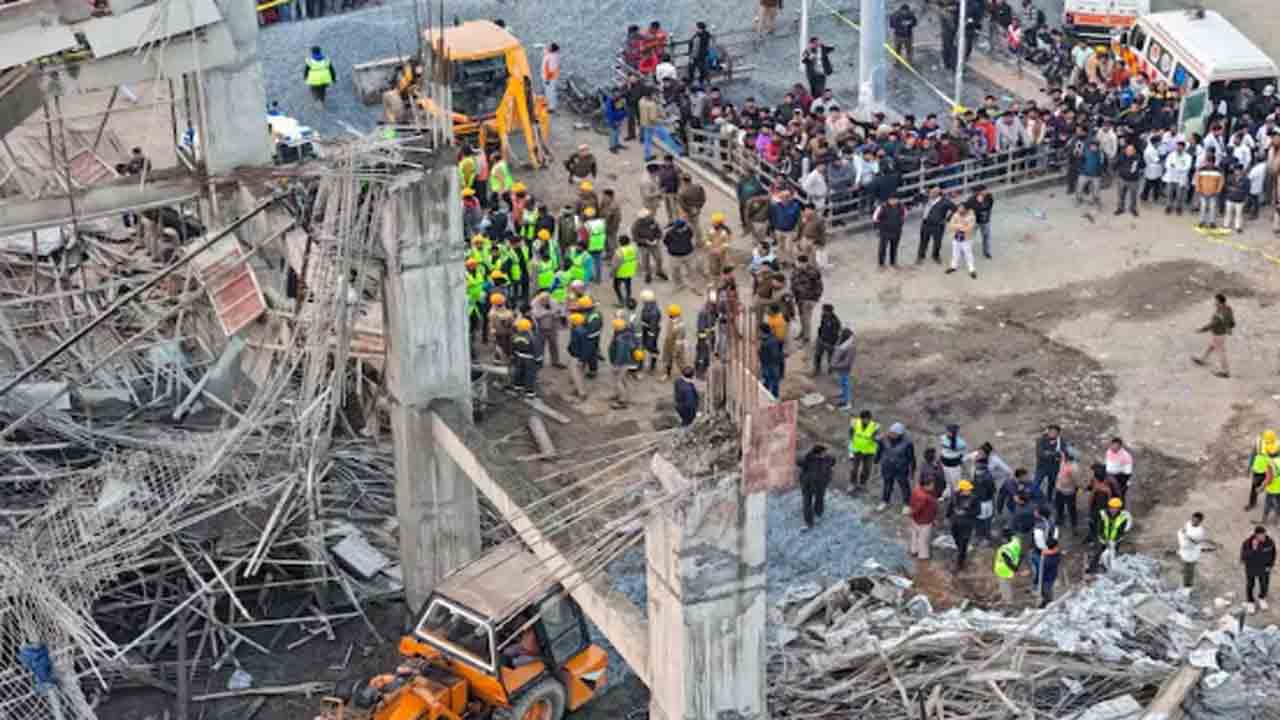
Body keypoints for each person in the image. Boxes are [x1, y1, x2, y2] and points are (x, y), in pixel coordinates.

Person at [1192, 293, 1234, 379]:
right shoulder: (1227, 308)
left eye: (1215, 301)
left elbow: (1212, 324)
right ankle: (1202, 359)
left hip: (1218, 334)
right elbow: (1232, 320)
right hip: (1221, 334)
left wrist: (1201, 330)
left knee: (1221, 352)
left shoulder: (1221, 313)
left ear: (1219, 301)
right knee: (1211, 346)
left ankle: (1225, 371)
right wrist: (1229, 328)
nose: (1214, 302)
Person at [878, 422, 916, 514]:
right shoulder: (884, 439)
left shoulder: (908, 444)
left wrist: (912, 471)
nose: (891, 434)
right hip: (887, 466)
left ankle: (906, 504)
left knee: (904, 487)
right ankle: (885, 501)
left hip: (901, 469)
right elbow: (880, 450)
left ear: (900, 434)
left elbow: (911, 458)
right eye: (891, 432)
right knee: (887, 485)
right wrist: (876, 460)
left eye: (894, 433)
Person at [798, 444, 837, 529]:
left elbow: (833, 462)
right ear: (817, 453)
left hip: (821, 484)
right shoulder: (807, 458)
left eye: (825, 452)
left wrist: (828, 478)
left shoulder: (828, 458)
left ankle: (818, 513)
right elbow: (798, 462)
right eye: (824, 452)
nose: (825, 454)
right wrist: (807, 455)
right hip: (807, 485)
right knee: (807, 503)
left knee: (820, 499)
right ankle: (809, 522)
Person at [1089, 497, 1132, 573]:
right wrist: (1102, 538)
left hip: (1115, 540)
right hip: (1103, 539)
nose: (1113, 510)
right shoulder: (1103, 514)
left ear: (1119, 508)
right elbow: (1099, 527)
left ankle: (1109, 570)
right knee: (1098, 553)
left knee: (1111, 555)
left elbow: (1122, 531)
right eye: (1111, 508)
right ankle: (1092, 569)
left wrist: (1115, 540)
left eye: (1115, 508)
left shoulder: (1124, 517)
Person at [1242, 526, 1276, 614]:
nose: (1263, 537)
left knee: (1264, 584)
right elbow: (1244, 557)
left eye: (1264, 535)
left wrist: (1270, 565)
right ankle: (1250, 602)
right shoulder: (1247, 543)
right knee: (1250, 585)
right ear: (1256, 535)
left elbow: (1273, 554)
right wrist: (1253, 549)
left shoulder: (1270, 542)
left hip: (1264, 568)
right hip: (1251, 568)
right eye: (1261, 535)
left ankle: (1262, 598)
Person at [790, 255, 823, 345]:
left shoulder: (813, 272)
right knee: (801, 317)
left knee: (806, 319)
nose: (797, 264)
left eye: (799, 263)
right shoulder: (796, 270)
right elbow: (793, 283)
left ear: (804, 263)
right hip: (799, 298)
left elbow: (819, 287)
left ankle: (806, 338)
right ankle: (803, 332)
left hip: (809, 299)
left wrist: (815, 299)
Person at [917, 186, 954, 264]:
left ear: (938, 193)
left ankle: (935, 256)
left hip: (938, 225)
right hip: (925, 223)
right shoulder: (926, 198)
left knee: (937, 242)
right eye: (931, 192)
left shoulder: (945, 201)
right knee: (923, 241)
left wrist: (947, 219)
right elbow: (915, 200)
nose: (931, 194)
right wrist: (921, 193)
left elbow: (955, 209)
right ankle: (921, 256)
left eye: (934, 192)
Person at [607, 317, 636, 409]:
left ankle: (622, 401)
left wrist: (616, 365)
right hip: (626, 362)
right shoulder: (627, 334)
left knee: (618, 381)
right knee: (623, 380)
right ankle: (621, 395)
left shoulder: (620, 339)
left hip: (622, 363)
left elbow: (621, 353)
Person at [510, 318, 543, 399]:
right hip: (530, 359)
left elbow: (512, 348)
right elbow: (536, 349)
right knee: (530, 375)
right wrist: (539, 360)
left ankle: (517, 386)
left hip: (519, 357)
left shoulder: (514, 336)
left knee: (518, 372)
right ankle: (529, 392)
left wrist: (513, 357)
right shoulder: (532, 337)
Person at [950, 480, 978, 572]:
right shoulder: (955, 497)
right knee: (957, 541)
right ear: (961, 490)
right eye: (967, 490)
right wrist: (948, 516)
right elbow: (950, 507)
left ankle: (959, 564)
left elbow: (977, 512)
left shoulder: (974, 499)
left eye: (970, 490)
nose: (969, 491)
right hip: (955, 524)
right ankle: (960, 553)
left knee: (963, 544)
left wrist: (965, 512)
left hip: (967, 525)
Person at [909, 474, 940, 560]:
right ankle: (923, 557)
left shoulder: (916, 490)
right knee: (924, 541)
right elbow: (933, 509)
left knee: (914, 537)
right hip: (925, 522)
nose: (933, 486)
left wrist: (911, 513)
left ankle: (913, 551)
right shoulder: (926, 498)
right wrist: (934, 519)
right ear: (926, 485)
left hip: (915, 519)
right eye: (932, 485)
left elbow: (912, 504)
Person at [848, 410, 879, 492]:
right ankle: (852, 483)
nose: (865, 421)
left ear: (870, 419)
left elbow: (876, 438)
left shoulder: (874, 427)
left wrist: (875, 439)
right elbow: (851, 436)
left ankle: (863, 483)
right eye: (863, 419)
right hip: (857, 450)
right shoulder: (855, 423)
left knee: (867, 469)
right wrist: (851, 449)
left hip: (869, 452)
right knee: (854, 468)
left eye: (867, 419)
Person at [945, 202, 977, 279]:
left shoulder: (971, 216)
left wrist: (958, 226)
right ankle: (953, 266)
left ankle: (971, 269)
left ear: (966, 209)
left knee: (968, 254)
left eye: (961, 208)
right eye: (959, 207)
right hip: (956, 238)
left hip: (966, 239)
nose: (959, 209)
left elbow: (969, 228)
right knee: (955, 253)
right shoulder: (956, 214)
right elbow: (951, 225)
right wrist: (961, 226)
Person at [663, 217, 696, 290]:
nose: (685, 227)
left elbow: (691, 236)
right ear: (679, 228)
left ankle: (692, 281)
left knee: (691, 268)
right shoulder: (670, 233)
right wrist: (674, 248)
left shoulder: (688, 230)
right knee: (675, 270)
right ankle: (679, 283)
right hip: (675, 256)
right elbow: (666, 242)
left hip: (688, 253)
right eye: (684, 226)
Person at [873, 196, 907, 270]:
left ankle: (893, 262)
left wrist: (900, 225)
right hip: (885, 232)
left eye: (895, 199)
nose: (894, 201)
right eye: (892, 200)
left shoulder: (901, 206)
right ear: (888, 200)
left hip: (896, 231)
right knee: (882, 249)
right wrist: (878, 229)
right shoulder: (882, 207)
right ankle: (881, 264)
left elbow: (904, 216)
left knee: (894, 248)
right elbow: (875, 218)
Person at [1248, 430, 1278, 512]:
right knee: (1255, 487)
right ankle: (1252, 503)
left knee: (1272, 490)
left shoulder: (1277, 445)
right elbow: (1253, 454)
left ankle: (1273, 506)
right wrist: (1250, 466)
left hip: (1270, 470)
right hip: (1259, 469)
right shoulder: (1259, 442)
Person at [1177, 512, 1207, 589]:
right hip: (1185, 551)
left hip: (1192, 553)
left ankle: (1188, 585)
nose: (1193, 522)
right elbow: (1184, 530)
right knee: (1184, 566)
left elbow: (1197, 542)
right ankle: (1185, 579)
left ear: (1200, 521)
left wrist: (1187, 536)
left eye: (1196, 521)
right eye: (1192, 519)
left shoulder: (1200, 531)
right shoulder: (1188, 524)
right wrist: (1183, 533)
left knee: (1189, 569)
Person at [1054, 447, 1080, 534]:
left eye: (1064, 454)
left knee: (1071, 509)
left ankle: (1074, 526)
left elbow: (1075, 480)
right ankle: (1060, 518)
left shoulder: (1073, 467)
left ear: (1068, 457)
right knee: (1059, 505)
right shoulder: (1063, 460)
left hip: (1069, 491)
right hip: (1059, 488)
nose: (1062, 455)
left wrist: (1075, 487)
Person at [994, 529, 1023, 604]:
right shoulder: (1016, 542)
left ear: (1005, 538)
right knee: (1007, 585)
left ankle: (1007, 601)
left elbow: (1007, 561)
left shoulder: (1005, 549)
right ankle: (1006, 599)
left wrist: (1014, 569)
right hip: (1012, 567)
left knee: (1005, 586)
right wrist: (1017, 566)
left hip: (1004, 569)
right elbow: (1021, 555)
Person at [1163, 141, 1193, 215]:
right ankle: (1168, 206)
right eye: (1177, 146)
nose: (1178, 148)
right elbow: (1167, 164)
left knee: (1179, 194)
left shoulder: (1188, 157)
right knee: (1169, 193)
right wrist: (1171, 167)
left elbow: (1187, 167)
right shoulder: (1171, 155)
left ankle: (1178, 207)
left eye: (1180, 147)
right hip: (1171, 176)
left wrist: (1177, 168)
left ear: (1183, 148)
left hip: (1181, 178)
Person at [938, 424, 967, 500]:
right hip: (945, 464)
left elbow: (963, 453)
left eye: (950, 432)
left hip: (954, 466)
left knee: (956, 484)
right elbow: (942, 449)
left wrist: (961, 460)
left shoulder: (961, 443)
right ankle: (947, 493)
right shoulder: (942, 438)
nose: (948, 433)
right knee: (948, 481)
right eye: (948, 431)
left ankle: (957, 499)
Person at [829, 328, 855, 410]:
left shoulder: (850, 347)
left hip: (844, 369)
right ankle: (843, 394)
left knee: (846, 385)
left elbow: (847, 362)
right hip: (840, 369)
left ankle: (847, 403)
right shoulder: (842, 343)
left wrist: (835, 365)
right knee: (842, 383)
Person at [1034, 425, 1063, 499]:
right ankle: (1033, 498)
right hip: (1042, 467)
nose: (1052, 433)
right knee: (1036, 484)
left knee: (1051, 485)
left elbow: (1063, 453)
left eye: (1055, 432)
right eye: (1051, 431)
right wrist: (1055, 454)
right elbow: (1040, 454)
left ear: (1058, 433)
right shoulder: (1040, 440)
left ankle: (1049, 498)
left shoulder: (1061, 441)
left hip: (1054, 468)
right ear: (1048, 431)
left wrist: (1048, 453)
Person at [966, 186, 995, 259]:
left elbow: (989, 207)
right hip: (974, 221)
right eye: (984, 191)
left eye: (985, 190)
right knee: (970, 237)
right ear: (979, 192)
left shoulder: (989, 197)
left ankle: (986, 252)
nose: (986, 192)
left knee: (986, 237)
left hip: (985, 221)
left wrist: (981, 203)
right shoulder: (971, 199)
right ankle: (966, 251)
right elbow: (969, 209)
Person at [661, 304, 688, 380]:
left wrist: (676, 351)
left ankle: (686, 375)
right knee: (667, 359)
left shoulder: (680, 325)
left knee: (680, 361)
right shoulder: (672, 321)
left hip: (677, 346)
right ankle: (667, 373)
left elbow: (679, 340)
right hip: (669, 344)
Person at [759, 321, 785, 398]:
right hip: (770, 366)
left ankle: (772, 397)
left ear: (762, 331)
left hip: (770, 366)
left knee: (772, 383)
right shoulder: (772, 338)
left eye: (759, 331)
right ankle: (771, 396)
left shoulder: (768, 342)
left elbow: (775, 355)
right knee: (770, 382)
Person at [812, 304, 841, 375]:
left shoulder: (835, 321)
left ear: (829, 311)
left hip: (830, 342)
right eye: (823, 310)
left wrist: (831, 343)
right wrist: (819, 336)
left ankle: (831, 370)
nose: (823, 312)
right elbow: (821, 326)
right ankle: (817, 369)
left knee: (830, 358)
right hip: (821, 339)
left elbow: (835, 334)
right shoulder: (823, 316)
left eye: (824, 310)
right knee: (817, 355)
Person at [638, 290, 662, 373]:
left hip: (651, 332)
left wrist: (650, 338)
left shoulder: (653, 311)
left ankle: (652, 365)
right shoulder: (649, 306)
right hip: (646, 330)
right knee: (643, 347)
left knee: (651, 348)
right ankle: (641, 364)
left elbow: (653, 326)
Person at [1104, 437, 1134, 502]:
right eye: (1112, 445)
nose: (1113, 448)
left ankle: (1120, 507)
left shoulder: (1126, 456)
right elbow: (1107, 463)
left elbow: (1128, 472)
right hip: (1109, 476)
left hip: (1120, 478)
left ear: (1120, 446)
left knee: (1119, 496)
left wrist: (1119, 480)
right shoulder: (1109, 451)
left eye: (1116, 446)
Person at [612, 235, 637, 307]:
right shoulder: (633, 249)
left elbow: (615, 265)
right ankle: (628, 300)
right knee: (628, 286)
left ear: (619, 242)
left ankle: (621, 301)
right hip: (630, 271)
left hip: (620, 273)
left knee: (616, 287)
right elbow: (636, 259)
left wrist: (612, 273)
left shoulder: (619, 252)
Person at [1039, 538, 1061, 607]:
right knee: (1047, 591)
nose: (1058, 547)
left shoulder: (1047, 558)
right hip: (1049, 577)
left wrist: (1044, 553)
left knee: (1047, 592)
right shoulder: (1054, 555)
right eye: (1057, 546)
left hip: (1048, 578)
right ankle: (1047, 602)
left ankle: (1047, 603)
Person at [541, 43, 561, 112]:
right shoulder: (553, 55)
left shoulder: (552, 57)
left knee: (550, 92)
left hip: (550, 78)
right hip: (550, 77)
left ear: (552, 49)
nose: (547, 47)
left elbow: (551, 70)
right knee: (548, 91)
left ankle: (551, 107)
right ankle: (548, 104)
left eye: (549, 47)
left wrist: (547, 79)